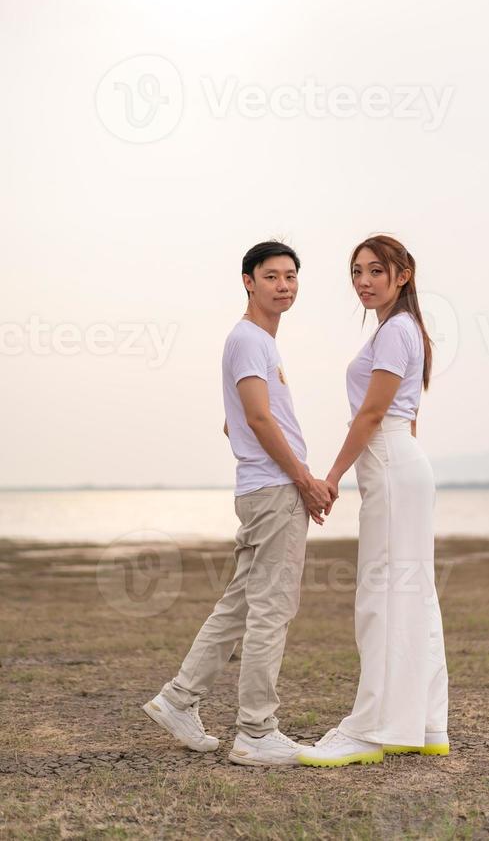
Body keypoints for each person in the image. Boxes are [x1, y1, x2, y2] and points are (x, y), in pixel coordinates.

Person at [143, 240, 335, 766]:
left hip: (261, 487)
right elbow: (254, 419)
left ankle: (179, 699)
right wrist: (303, 479)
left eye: (291, 276)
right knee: (272, 609)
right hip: (273, 491)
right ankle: (256, 732)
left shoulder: (254, 342)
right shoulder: (251, 340)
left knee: (241, 604)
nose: (284, 285)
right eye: (272, 276)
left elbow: (237, 421)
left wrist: (277, 468)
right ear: (248, 282)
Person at [298, 234, 449, 768]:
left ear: (402, 275)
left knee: (382, 596)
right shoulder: (405, 331)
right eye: (356, 272)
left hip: (391, 464)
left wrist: (332, 477)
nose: (363, 281)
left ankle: (370, 731)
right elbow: (406, 418)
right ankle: (423, 725)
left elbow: (370, 416)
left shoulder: (395, 333)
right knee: (410, 594)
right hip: (402, 463)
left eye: (375, 271)